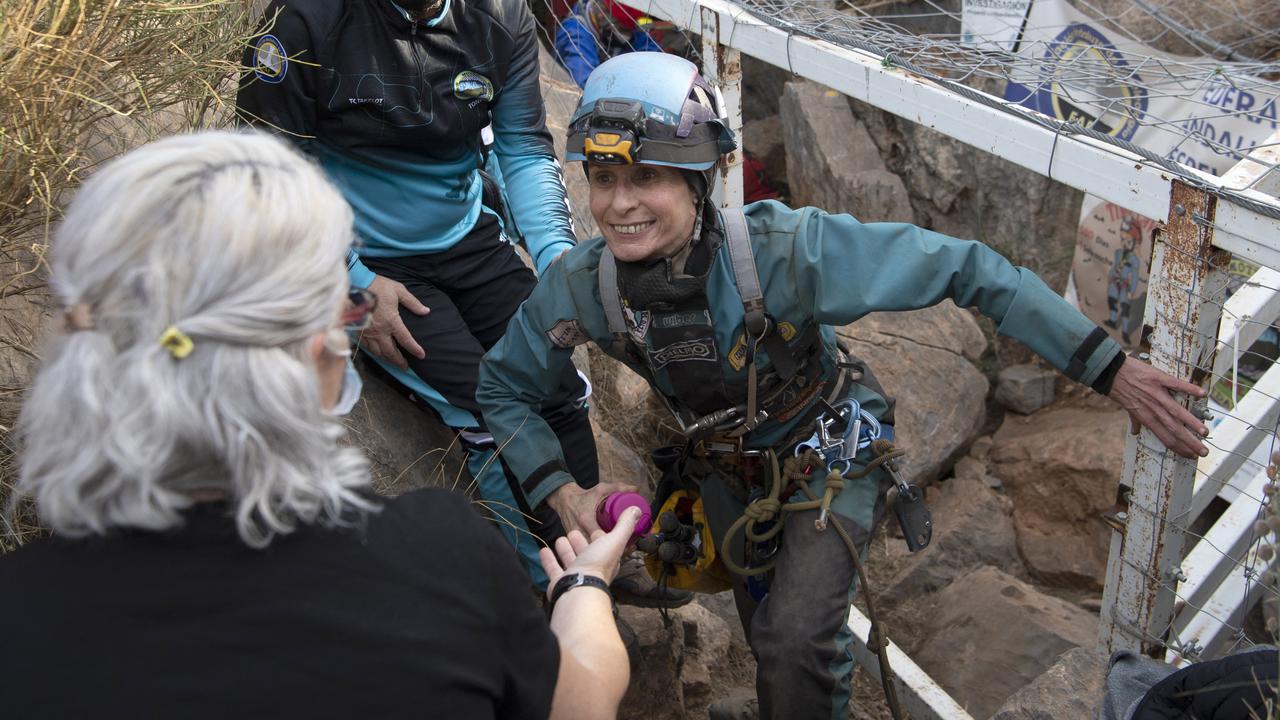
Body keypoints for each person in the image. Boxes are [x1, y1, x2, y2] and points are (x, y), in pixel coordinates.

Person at [476, 53, 1211, 719]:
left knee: (796, 641)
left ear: (698, 181)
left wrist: (1111, 370)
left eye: (647, 177)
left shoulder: (783, 254)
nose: (620, 204)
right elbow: (502, 386)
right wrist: (561, 491)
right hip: (726, 473)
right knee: (768, 633)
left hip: (829, 451)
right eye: (604, 178)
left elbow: (968, 266)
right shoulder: (585, 288)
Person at [0, 131, 634, 720]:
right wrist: (581, 589)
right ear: (317, 361)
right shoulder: (438, 558)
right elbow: (581, 705)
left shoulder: (21, 610)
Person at [234, 0, 686, 607]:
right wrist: (349, 281)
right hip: (364, 256)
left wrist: (559, 263)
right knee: (483, 405)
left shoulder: (501, 14)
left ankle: (596, 552)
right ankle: (551, 586)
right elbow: (264, 171)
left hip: (468, 237)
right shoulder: (306, 20)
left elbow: (522, 148)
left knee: (558, 385)